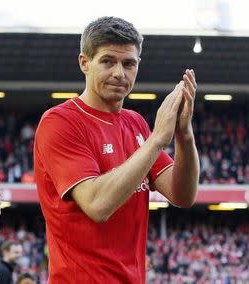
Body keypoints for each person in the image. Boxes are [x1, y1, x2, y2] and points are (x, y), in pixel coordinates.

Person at [34, 16, 199, 283]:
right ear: (84, 63)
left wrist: (184, 135)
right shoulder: (60, 122)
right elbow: (98, 205)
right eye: (108, 61)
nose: (119, 73)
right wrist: (157, 139)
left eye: (128, 63)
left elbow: (183, 195)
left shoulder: (135, 123)